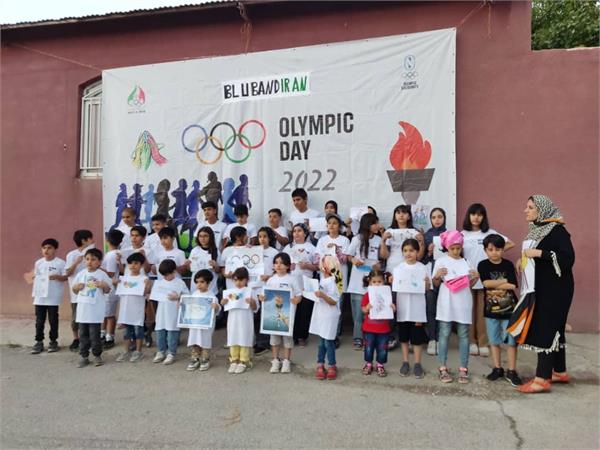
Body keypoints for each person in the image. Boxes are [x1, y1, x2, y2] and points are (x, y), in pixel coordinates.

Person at [514, 195, 575, 394]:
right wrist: (522, 260)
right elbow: (532, 255)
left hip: (555, 290)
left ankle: (541, 379)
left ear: (542, 210)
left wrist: (540, 254)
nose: (526, 210)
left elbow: (567, 258)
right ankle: (559, 371)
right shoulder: (537, 229)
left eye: (530, 207)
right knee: (556, 329)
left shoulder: (558, 231)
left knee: (546, 329)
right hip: (543, 287)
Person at [461, 203, 514, 357]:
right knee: (469, 311)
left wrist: (493, 256)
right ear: (468, 216)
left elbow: (509, 243)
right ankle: (471, 341)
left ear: (483, 217)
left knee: (484, 311)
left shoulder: (490, 233)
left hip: (486, 278)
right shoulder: (463, 234)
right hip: (468, 277)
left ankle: (483, 343)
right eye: (473, 214)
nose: (476, 217)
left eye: (479, 214)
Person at [432, 231, 479, 383]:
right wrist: (437, 275)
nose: (456, 251)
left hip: (463, 302)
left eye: (458, 248)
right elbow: (435, 284)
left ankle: (463, 368)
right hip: (446, 301)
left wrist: (475, 278)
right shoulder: (441, 261)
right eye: (453, 248)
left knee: (464, 334)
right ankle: (442, 367)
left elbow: (468, 285)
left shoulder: (466, 262)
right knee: (444, 333)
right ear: (447, 247)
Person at [478, 234, 522, 386]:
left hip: (510, 310)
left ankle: (512, 370)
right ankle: (497, 368)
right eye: (490, 249)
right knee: (494, 341)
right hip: (491, 310)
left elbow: (512, 286)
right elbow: (485, 283)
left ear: (503, 250)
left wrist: (495, 283)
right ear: (485, 250)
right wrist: (503, 281)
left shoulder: (508, 265)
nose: (494, 252)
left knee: (511, 342)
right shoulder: (483, 265)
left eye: (498, 249)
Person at [380, 205, 425, 349]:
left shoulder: (414, 232)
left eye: (404, 213)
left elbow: (420, 255)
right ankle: (392, 336)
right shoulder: (389, 231)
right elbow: (384, 256)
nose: (401, 215)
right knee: (392, 304)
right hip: (393, 271)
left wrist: (421, 241)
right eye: (398, 213)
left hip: (411, 273)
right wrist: (382, 240)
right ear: (394, 215)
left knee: (410, 304)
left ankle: (411, 337)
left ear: (409, 216)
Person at [391, 239, 430, 379]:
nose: (408, 253)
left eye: (412, 250)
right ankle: (405, 361)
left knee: (417, 338)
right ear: (402, 252)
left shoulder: (422, 267)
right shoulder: (398, 268)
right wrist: (392, 281)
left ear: (417, 252)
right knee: (403, 337)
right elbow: (395, 286)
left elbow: (427, 287)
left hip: (417, 309)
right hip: (403, 308)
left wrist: (426, 284)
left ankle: (418, 363)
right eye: (406, 250)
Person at [345, 213, 383, 350]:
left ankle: (371, 337)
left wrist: (379, 265)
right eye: (375, 223)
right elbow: (348, 255)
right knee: (358, 314)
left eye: (377, 223)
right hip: (356, 283)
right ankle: (358, 338)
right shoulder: (357, 239)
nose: (377, 226)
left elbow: (383, 257)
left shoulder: (379, 239)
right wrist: (353, 260)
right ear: (368, 225)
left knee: (373, 311)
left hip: (375, 282)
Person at [259, 253, 302, 374]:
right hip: (273, 313)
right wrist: (262, 298)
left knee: (287, 338)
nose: (278, 265)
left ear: (288, 266)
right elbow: (266, 295)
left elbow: (299, 295)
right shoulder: (271, 279)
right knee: (274, 338)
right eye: (276, 262)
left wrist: (296, 300)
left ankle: (286, 361)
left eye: (282, 263)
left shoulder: (292, 279)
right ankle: (275, 360)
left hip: (287, 313)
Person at [72, 248, 112, 368]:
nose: (89, 262)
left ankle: (97, 355)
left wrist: (103, 285)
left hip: (95, 312)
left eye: (93, 259)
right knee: (83, 334)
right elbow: (74, 290)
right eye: (87, 259)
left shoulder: (102, 274)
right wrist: (77, 287)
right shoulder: (81, 274)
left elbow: (108, 289)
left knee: (95, 335)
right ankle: (84, 356)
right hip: (82, 311)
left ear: (99, 262)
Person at [29, 238, 67, 354]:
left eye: (49, 248)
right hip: (40, 297)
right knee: (39, 321)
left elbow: (65, 277)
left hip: (53, 297)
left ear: (55, 249)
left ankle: (53, 341)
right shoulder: (38, 263)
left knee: (53, 320)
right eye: (44, 248)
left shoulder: (60, 263)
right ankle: (39, 342)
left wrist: (57, 277)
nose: (46, 250)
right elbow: (36, 277)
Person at [283, 223, 318, 346]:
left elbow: (317, 266)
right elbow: (281, 265)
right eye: (294, 231)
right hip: (291, 283)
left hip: (306, 283)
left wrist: (307, 266)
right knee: (292, 310)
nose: (296, 233)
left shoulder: (312, 247)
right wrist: (288, 267)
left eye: (299, 231)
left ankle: (302, 336)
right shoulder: (288, 248)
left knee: (305, 310)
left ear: (305, 233)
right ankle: (291, 335)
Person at [310, 255, 342, 380]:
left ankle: (332, 365)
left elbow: (334, 301)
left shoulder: (333, 281)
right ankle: (320, 363)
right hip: (321, 313)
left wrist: (322, 295)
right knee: (321, 342)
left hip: (329, 315)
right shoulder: (323, 279)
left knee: (328, 341)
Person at [151, 260, 189, 365]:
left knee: (172, 332)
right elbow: (154, 296)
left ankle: (171, 353)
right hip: (161, 312)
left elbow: (187, 296)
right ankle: (160, 351)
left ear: (174, 271)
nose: (166, 277)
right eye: (164, 275)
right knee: (160, 332)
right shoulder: (159, 283)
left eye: (168, 274)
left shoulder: (179, 283)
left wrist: (178, 297)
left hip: (173, 312)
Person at [221, 267, 258, 374]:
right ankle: (234, 360)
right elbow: (224, 304)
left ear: (247, 280)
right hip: (233, 320)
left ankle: (244, 360)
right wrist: (223, 302)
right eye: (236, 280)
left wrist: (252, 302)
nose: (238, 282)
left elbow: (256, 308)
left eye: (241, 280)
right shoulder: (230, 292)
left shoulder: (250, 291)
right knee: (233, 338)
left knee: (244, 338)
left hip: (245, 320)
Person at [115, 253, 151, 362]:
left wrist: (147, 285)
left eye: (136, 263)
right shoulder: (124, 279)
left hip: (137, 309)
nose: (132, 265)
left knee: (138, 330)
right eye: (130, 263)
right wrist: (115, 283)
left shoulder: (143, 278)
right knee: (126, 331)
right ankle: (126, 351)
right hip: (125, 309)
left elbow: (147, 292)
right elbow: (120, 292)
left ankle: (138, 351)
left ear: (141, 265)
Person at [422, 207, 447, 355]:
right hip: (430, 275)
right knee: (430, 306)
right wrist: (429, 252)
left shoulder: (451, 234)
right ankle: (432, 339)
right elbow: (422, 259)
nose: (437, 220)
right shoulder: (427, 235)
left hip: (447, 276)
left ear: (444, 218)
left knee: (443, 307)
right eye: (434, 217)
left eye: (440, 216)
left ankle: (440, 339)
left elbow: (459, 254)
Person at [360, 270, 395, 377]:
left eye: (379, 281)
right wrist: (367, 308)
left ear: (384, 282)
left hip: (383, 328)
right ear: (370, 282)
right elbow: (363, 310)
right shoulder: (367, 295)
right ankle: (369, 364)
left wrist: (393, 308)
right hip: (369, 328)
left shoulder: (387, 295)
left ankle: (380, 365)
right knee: (369, 347)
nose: (377, 284)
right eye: (374, 282)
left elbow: (391, 310)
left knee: (383, 348)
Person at [65, 229, 95, 352]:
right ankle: (76, 339)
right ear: (84, 240)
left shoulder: (93, 253)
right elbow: (68, 273)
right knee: (75, 318)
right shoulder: (71, 255)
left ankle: (91, 339)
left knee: (90, 316)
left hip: (91, 292)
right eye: (91, 238)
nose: (93, 241)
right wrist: (76, 262)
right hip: (76, 293)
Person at [186, 270, 221, 371]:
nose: (199, 285)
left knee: (205, 340)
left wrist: (216, 307)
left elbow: (218, 309)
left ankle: (205, 359)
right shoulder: (194, 294)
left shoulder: (211, 296)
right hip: (195, 323)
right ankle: (195, 358)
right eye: (197, 282)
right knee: (195, 340)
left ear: (208, 283)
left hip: (206, 325)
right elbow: (189, 307)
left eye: (202, 282)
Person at [253, 227, 279, 355]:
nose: (262, 239)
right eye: (260, 237)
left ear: (270, 238)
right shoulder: (253, 251)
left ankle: (264, 343)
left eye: (264, 236)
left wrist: (269, 277)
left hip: (268, 286)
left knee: (265, 316)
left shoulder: (274, 252)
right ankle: (258, 340)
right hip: (254, 287)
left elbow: (279, 270)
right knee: (256, 316)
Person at [100, 229, 124, 349]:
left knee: (109, 314)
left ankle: (110, 336)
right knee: (104, 313)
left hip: (111, 288)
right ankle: (102, 333)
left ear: (108, 240)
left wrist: (98, 268)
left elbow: (110, 273)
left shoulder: (112, 255)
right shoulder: (114, 254)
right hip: (108, 288)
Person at [188, 226, 220, 295]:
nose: (202, 238)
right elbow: (191, 269)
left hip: (210, 287)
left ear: (210, 237)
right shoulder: (194, 250)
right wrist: (187, 264)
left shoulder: (216, 251)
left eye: (205, 236)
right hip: (196, 286)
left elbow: (219, 271)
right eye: (200, 236)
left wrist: (215, 266)